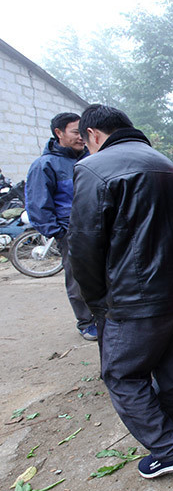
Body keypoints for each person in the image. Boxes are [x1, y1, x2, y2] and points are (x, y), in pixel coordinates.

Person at [69, 104, 173, 479]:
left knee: (122, 374)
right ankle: (168, 433)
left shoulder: (94, 168)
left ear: (94, 134)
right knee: (171, 369)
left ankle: (167, 447)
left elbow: (84, 245)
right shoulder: (169, 166)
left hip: (136, 297)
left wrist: (97, 302)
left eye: (85, 140)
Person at [25, 113, 96, 341]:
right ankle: (86, 322)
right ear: (59, 133)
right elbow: (38, 204)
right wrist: (59, 233)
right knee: (77, 279)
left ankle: (105, 316)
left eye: (83, 132)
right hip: (71, 232)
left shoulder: (91, 158)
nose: (81, 137)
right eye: (76, 132)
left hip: (98, 228)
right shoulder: (45, 165)